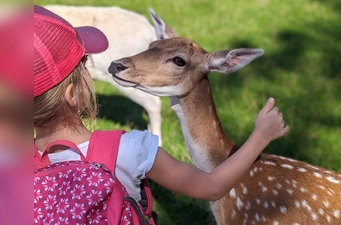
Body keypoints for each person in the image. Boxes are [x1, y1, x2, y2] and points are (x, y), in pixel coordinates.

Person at [34, 4, 289, 205]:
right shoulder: (131, 149)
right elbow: (212, 187)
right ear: (73, 95)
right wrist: (261, 135)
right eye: (85, 66)